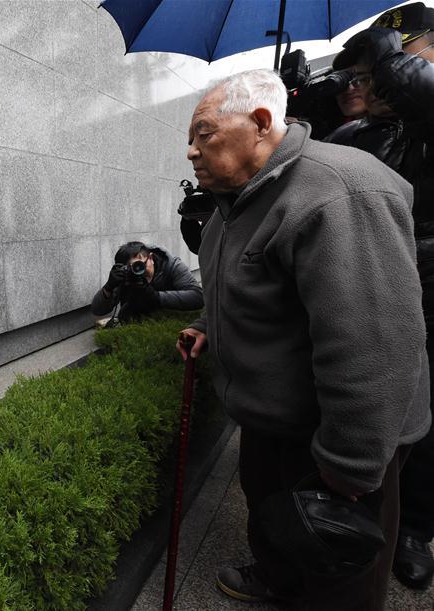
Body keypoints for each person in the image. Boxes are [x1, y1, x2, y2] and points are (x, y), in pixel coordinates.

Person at [177, 68, 430, 610]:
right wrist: (203, 326)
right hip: (272, 421)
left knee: (337, 564)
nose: (192, 153)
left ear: (262, 123)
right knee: (273, 519)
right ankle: (278, 579)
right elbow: (236, 285)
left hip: (337, 431)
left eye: (204, 134)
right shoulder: (231, 202)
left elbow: (375, 342)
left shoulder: (338, 192)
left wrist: (350, 463)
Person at [324, 2, 434, 591]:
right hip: (374, 287)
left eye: (369, 74)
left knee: (425, 417)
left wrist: (386, 43)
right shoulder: (364, 132)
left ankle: (415, 528)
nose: (360, 85)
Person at [91, 241, 202, 324]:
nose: (138, 272)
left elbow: (198, 297)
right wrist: (108, 287)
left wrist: (156, 297)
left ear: (151, 258)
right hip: (134, 325)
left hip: (169, 321)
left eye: (139, 266)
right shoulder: (125, 276)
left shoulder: (171, 265)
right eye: (132, 268)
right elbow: (97, 310)